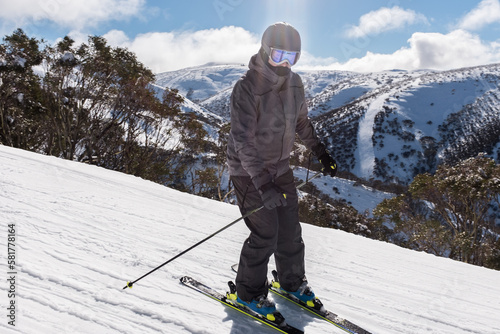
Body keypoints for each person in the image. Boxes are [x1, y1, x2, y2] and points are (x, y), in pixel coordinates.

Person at [226, 22, 337, 319]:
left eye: (292, 57)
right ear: (264, 52)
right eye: (278, 56)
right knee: (266, 233)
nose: (285, 64)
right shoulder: (246, 87)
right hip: (249, 172)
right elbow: (242, 140)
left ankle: (290, 283)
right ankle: (248, 293)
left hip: (280, 168)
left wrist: (321, 152)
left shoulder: (296, 84)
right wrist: (262, 183)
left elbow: (301, 123)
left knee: (289, 230)